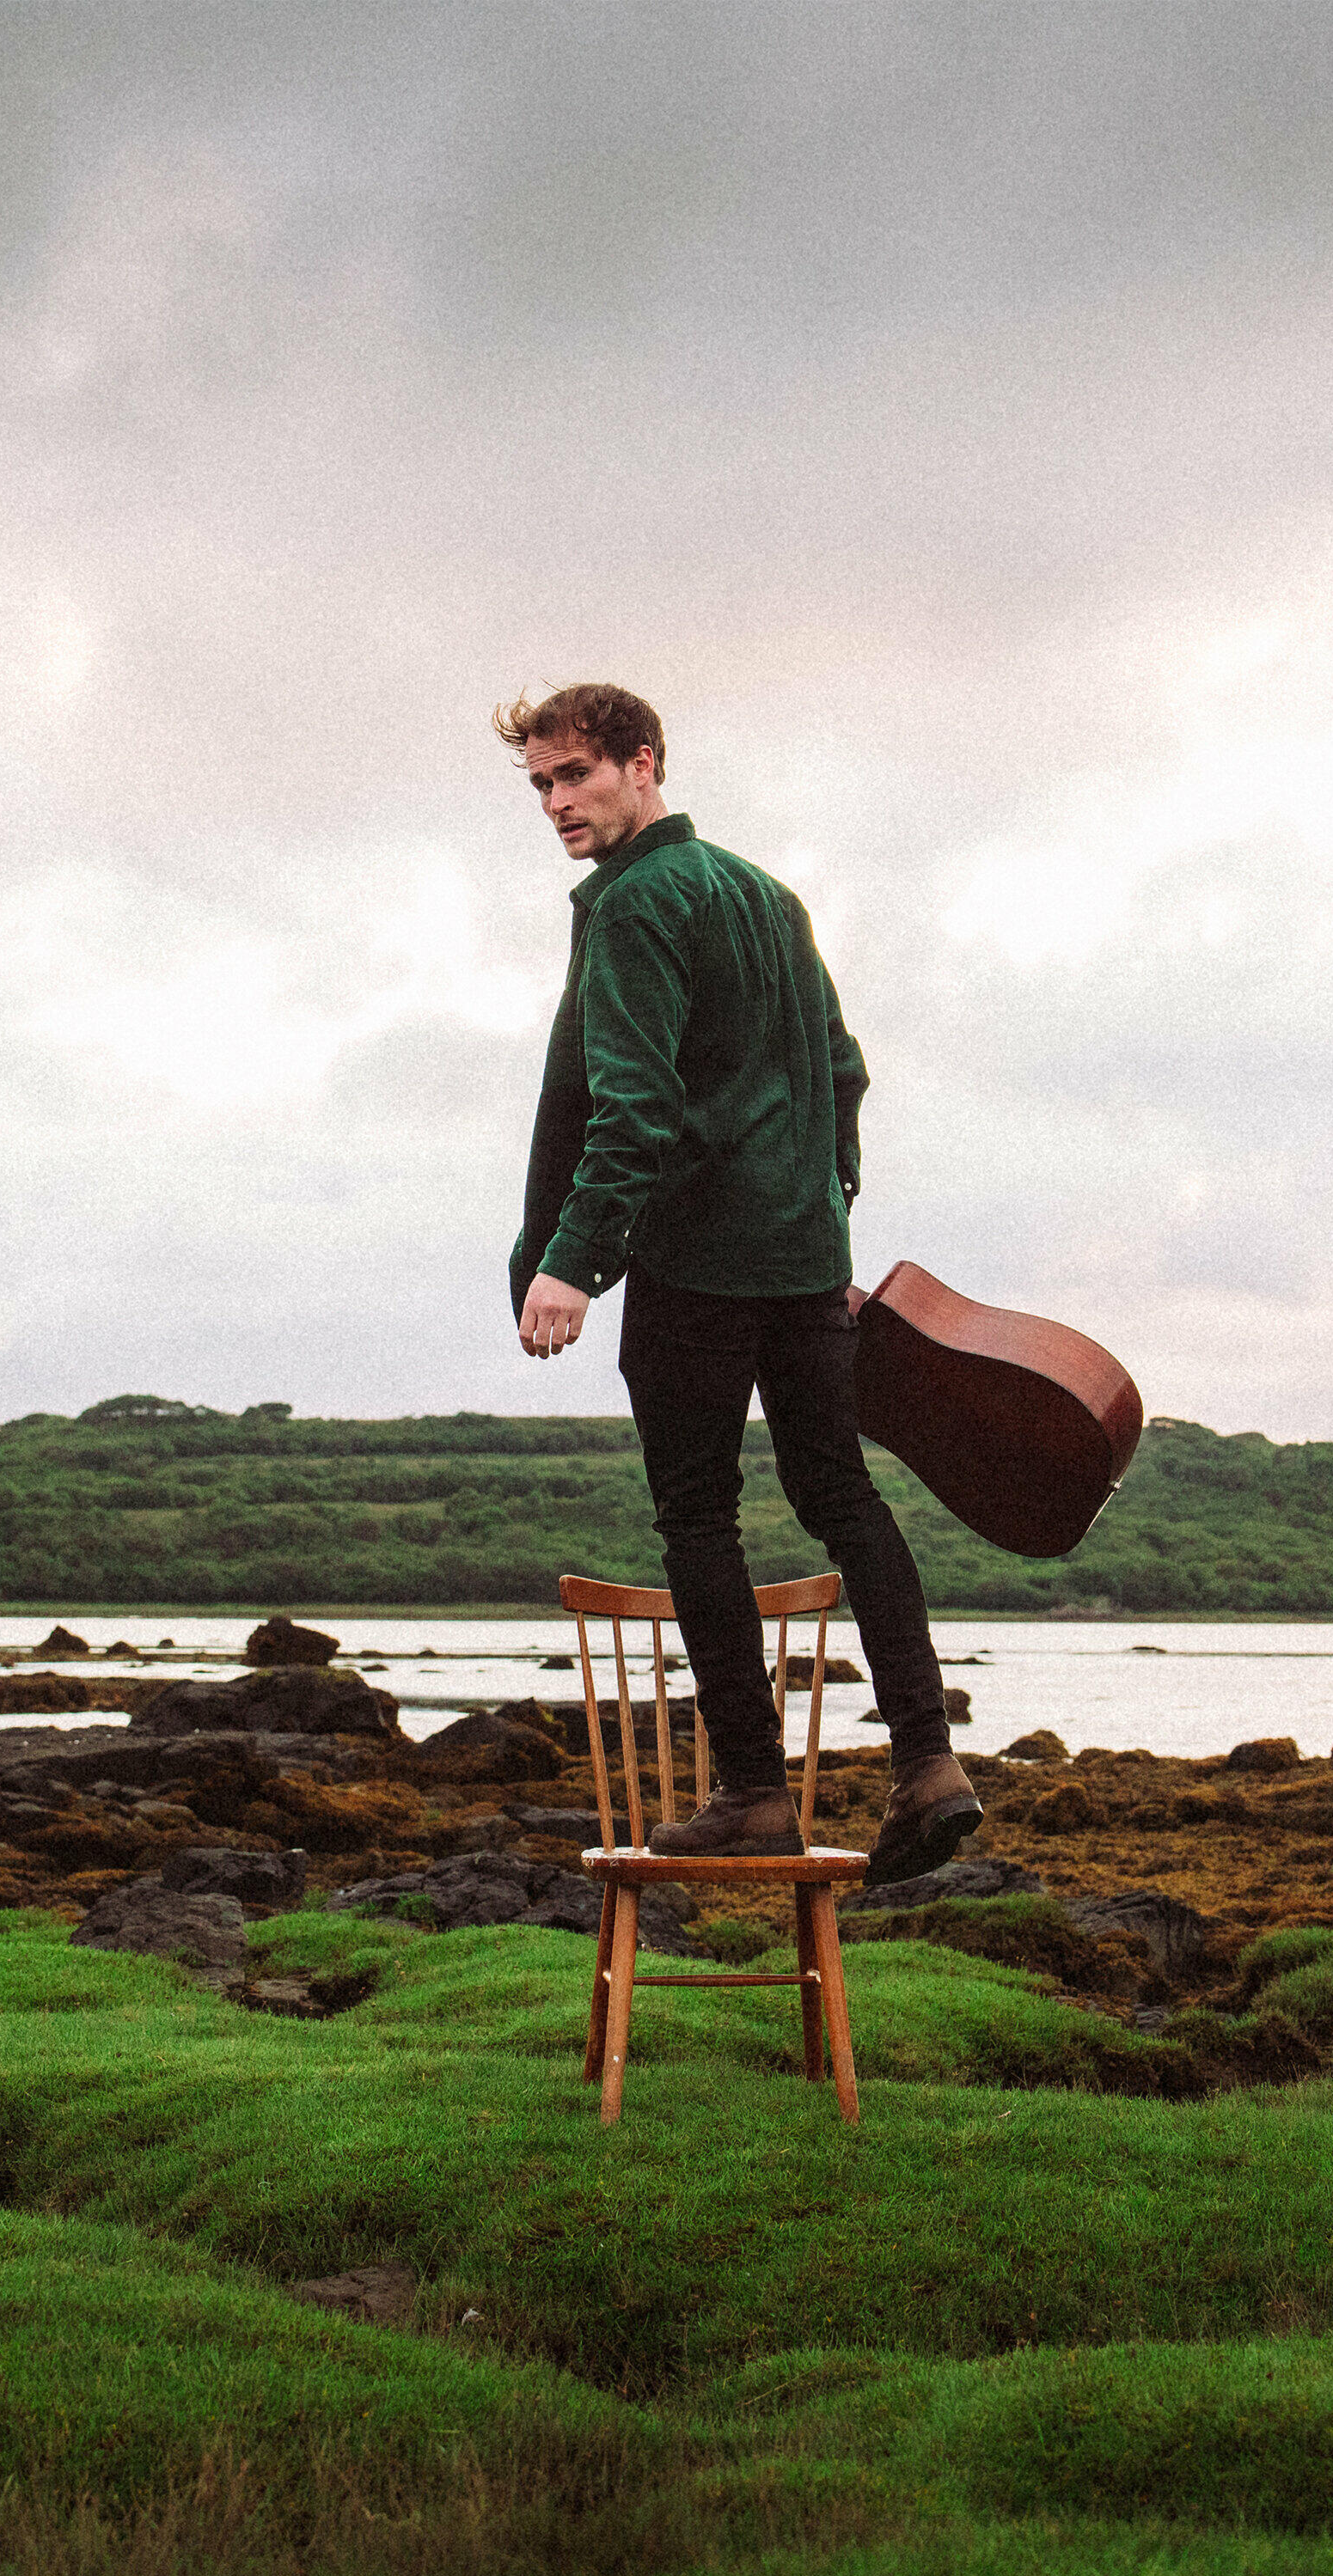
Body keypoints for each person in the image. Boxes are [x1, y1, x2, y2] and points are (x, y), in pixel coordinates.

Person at [498, 681, 981, 1885]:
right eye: (541, 784)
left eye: (575, 775)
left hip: (699, 1265)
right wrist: (825, 1215)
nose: (556, 803)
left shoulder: (635, 904)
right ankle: (929, 1763)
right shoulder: (768, 895)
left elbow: (635, 1107)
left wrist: (572, 1261)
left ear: (643, 763)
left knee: (697, 1517)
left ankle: (755, 1791)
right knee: (844, 1499)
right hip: (805, 1263)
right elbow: (844, 1075)